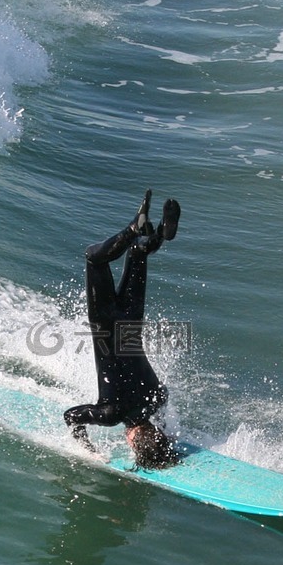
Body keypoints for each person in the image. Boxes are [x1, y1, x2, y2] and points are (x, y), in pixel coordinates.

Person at [63, 189, 181, 468]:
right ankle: (133, 228)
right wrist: (88, 449)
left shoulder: (155, 399)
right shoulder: (109, 414)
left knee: (138, 254)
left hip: (130, 327)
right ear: (130, 440)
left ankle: (159, 234)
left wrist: (162, 428)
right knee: (94, 258)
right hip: (106, 327)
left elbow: (162, 398)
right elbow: (71, 417)